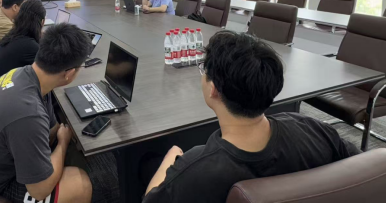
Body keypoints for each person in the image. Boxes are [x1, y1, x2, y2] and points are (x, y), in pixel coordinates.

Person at [143, 31, 360, 203]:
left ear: (214, 89)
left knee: (147, 163)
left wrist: (171, 157)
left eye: (204, 70)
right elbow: (364, 168)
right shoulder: (313, 128)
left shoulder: (194, 171)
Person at [0, 23, 93, 203]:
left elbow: (48, 132)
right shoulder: (28, 113)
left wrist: (58, 135)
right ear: (69, 74)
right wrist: (63, 142)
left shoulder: (20, 74)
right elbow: (39, 191)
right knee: (80, 184)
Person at [0, 0, 46, 87]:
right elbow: (49, 71)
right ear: (42, 22)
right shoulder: (29, 46)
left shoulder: (13, 35)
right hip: (1, 91)